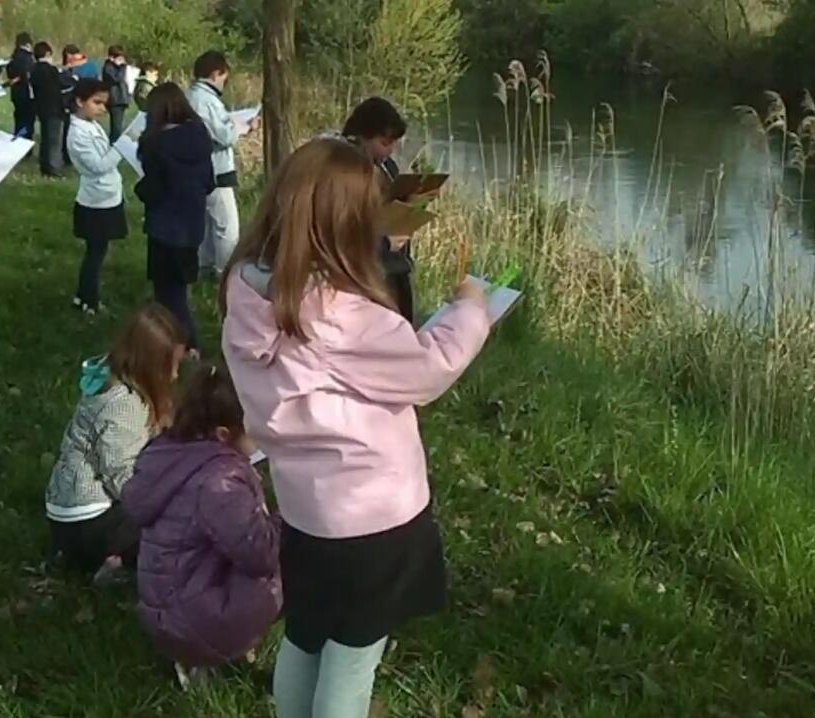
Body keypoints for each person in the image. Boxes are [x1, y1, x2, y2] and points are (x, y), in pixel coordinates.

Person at [219, 138, 492, 717]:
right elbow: (428, 367)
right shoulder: (340, 313)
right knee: (354, 660)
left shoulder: (247, 289)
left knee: (306, 637)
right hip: (374, 517)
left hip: (304, 512)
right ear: (345, 223)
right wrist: (471, 307)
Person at [122, 363, 281, 679]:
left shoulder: (168, 454)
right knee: (293, 551)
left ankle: (192, 656)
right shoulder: (220, 481)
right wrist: (286, 517)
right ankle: (219, 651)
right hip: (197, 623)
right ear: (224, 434)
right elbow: (259, 555)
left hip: (166, 613)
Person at [46, 304, 187, 578]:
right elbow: (121, 475)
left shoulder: (110, 379)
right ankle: (113, 563)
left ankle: (79, 557)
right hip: (88, 519)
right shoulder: (124, 405)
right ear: (150, 365)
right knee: (174, 527)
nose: (175, 375)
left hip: (67, 508)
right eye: (171, 366)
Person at [135, 82, 214, 352]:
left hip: (165, 226)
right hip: (192, 224)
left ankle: (186, 343)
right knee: (180, 285)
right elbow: (209, 182)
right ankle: (178, 340)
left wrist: (140, 188)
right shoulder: (200, 135)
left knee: (168, 292)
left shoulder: (156, 144)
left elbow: (153, 189)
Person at [342, 97, 415, 323]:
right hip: (361, 278)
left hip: (393, 270)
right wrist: (384, 242)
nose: (390, 150)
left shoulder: (387, 166)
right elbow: (342, 232)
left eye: (394, 143)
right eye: (384, 143)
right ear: (362, 136)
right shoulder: (342, 170)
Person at [188, 50, 254, 275]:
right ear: (216, 73)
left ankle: (204, 265)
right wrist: (242, 127)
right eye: (224, 77)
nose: (225, 82)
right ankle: (226, 272)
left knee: (208, 222)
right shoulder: (206, 101)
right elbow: (223, 136)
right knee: (227, 226)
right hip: (217, 170)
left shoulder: (194, 96)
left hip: (202, 169)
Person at [66, 78, 127, 314]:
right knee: (95, 254)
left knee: (98, 252)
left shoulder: (90, 125)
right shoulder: (77, 134)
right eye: (97, 102)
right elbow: (99, 165)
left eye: (105, 104)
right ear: (80, 102)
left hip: (106, 194)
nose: (103, 108)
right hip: (96, 201)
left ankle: (83, 296)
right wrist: (123, 147)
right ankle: (89, 301)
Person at [30, 41, 72, 178]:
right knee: (54, 140)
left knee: (45, 138)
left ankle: (45, 166)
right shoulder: (51, 70)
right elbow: (62, 83)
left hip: (41, 108)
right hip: (54, 108)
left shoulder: (34, 69)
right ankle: (54, 167)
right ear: (48, 54)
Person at [6, 32, 37, 140]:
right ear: (28, 44)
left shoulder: (13, 58)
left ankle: (18, 139)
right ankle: (25, 144)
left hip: (16, 94)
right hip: (28, 94)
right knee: (28, 122)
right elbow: (30, 74)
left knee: (19, 120)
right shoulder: (28, 58)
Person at [102, 45, 132, 143]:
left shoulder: (117, 68)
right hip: (114, 100)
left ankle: (115, 144)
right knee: (116, 129)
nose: (122, 60)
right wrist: (122, 67)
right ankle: (113, 146)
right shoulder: (108, 67)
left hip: (121, 99)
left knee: (119, 127)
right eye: (119, 58)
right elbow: (117, 79)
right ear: (112, 57)